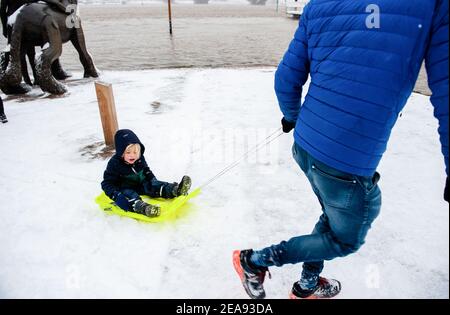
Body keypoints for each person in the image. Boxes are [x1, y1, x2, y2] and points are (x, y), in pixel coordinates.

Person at [233, 0, 448, 299]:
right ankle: (253, 261)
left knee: (331, 214)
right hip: (346, 159)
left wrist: (291, 117)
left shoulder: (319, 4)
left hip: (306, 145)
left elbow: (286, 78)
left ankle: (307, 285)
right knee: (345, 239)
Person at [101, 129, 192, 217]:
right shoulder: (114, 164)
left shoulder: (139, 158)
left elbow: (146, 169)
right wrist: (116, 195)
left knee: (154, 185)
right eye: (128, 152)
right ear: (121, 152)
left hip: (141, 183)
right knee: (129, 196)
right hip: (124, 187)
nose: (132, 155)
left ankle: (176, 190)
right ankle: (143, 208)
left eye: (135, 152)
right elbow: (106, 183)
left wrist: (152, 179)